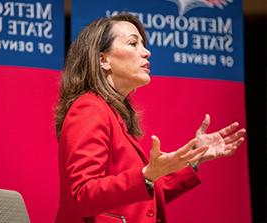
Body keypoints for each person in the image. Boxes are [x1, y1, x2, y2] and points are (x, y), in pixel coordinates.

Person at [55, 13, 246, 223]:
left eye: (143, 45)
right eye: (133, 43)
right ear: (103, 60)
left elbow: (144, 194)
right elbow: (83, 195)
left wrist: (194, 156)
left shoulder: (112, 113)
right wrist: (146, 174)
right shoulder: (89, 108)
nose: (146, 52)